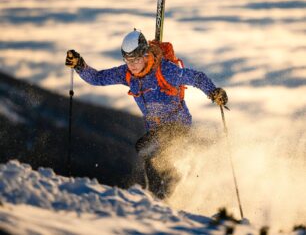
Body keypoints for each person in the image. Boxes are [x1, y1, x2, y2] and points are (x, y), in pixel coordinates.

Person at [65, 29, 228, 199]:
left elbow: (196, 77)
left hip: (178, 124)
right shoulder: (127, 74)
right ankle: (165, 189)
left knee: (149, 152)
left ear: (145, 55)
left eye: (135, 59)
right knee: (147, 152)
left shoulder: (165, 71)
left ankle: (161, 196)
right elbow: (98, 78)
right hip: (156, 128)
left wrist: (213, 91)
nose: (132, 65)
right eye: (128, 60)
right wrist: (79, 65)